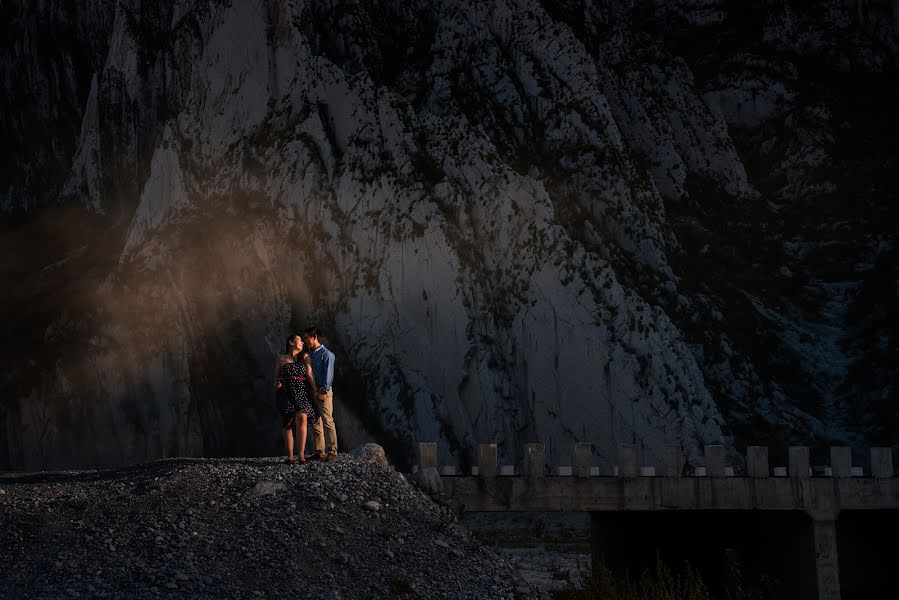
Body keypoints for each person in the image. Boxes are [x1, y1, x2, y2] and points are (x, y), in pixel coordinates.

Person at [274, 334, 319, 464]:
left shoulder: (305, 357)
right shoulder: (281, 359)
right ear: (291, 342)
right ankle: (290, 456)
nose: (302, 343)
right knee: (287, 423)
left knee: (303, 419)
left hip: (301, 392)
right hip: (286, 392)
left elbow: (310, 375)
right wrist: (277, 384)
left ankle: (301, 456)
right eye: (299, 340)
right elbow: (276, 377)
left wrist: (315, 390)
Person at [302, 327, 338, 461]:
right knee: (315, 421)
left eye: (307, 338)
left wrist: (323, 390)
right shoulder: (312, 354)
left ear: (314, 337)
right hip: (313, 390)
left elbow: (329, 375)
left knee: (327, 420)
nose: (306, 341)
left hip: (323, 390)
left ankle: (332, 451)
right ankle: (319, 451)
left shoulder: (327, 354)